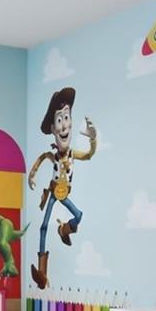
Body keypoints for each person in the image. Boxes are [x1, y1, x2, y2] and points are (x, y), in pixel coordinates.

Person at [27, 87, 96, 288]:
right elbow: (42, 159)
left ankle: (64, 229)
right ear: (53, 128)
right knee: (43, 226)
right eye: (59, 120)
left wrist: (93, 139)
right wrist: (32, 175)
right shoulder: (54, 155)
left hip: (64, 193)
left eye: (66, 118)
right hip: (53, 191)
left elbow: (89, 155)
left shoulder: (73, 154)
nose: (64, 125)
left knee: (79, 215)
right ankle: (42, 273)